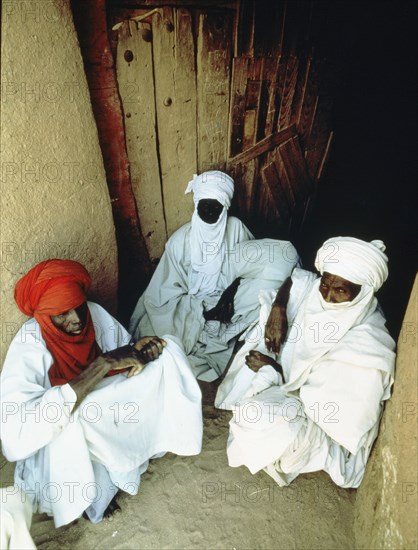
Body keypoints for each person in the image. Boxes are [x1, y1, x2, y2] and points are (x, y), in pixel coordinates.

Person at [0, 260, 203, 528]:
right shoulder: (30, 343)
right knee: (80, 415)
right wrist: (102, 364)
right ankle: (98, 489)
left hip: (109, 405)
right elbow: (15, 433)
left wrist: (138, 349)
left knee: (170, 353)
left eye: (78, 307)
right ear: (44, 317)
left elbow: (122, 351)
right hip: (65, 432)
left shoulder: (92, 313)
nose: (75, 320)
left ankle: (148, 444)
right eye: (62, 314)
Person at [215, 237, 396, 488]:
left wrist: (274, 370)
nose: (328, 297)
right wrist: (278, 307)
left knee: (258, 421)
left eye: (340, 291)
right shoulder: (317, 292)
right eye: (326, 284)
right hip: (291, 395)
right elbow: (298, 280)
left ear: (362, 293)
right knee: (251, 410)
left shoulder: (368, 343)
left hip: (319, 425)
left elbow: (333, 414)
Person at [129, 170, 299, 381]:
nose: (210, 211)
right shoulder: (180, 241)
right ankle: (216, 336)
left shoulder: (235, 227)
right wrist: (203, 314)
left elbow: (250, 268)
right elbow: (164, 292)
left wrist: (230, 291)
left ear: (225, 208)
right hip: (187, 306)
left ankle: (229, 334)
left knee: (267, 289)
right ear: (196, 204)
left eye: (216, 206)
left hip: (231, 299)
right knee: (157, 334)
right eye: (204, 205)